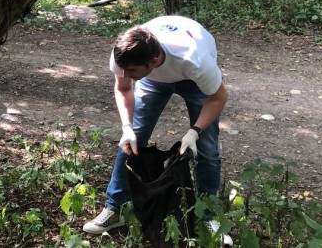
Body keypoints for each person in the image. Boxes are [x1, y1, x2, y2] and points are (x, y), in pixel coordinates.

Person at [83, 15, 233, 246]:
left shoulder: (195, 60)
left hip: (191, 79)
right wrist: (127, 128)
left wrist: (195, 131)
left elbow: (218, 97)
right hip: (153, 80)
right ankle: (115, 209)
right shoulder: (124, 56)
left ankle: (209, 216)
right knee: (132, 140)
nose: (126, 75)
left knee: (207, 147)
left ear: (152, 62)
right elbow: (123, 88)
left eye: (131, 71)